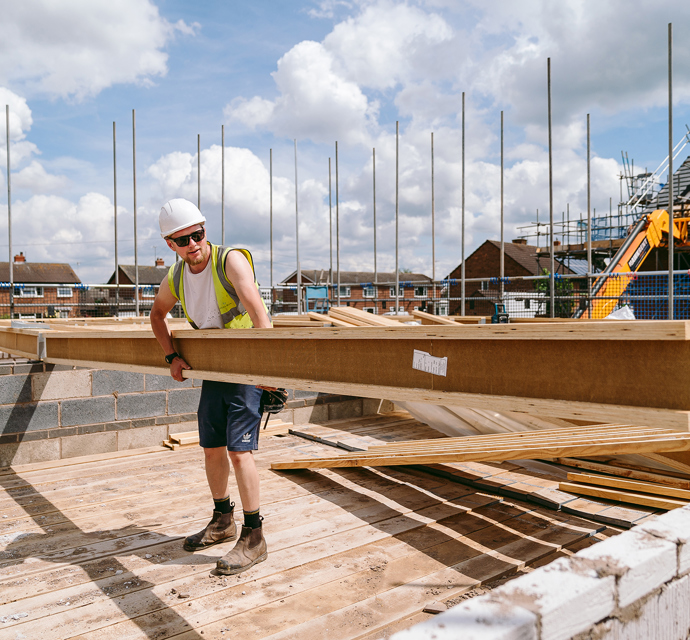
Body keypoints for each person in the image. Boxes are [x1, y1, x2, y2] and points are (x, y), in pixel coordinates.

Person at [150, 198, 273, 576]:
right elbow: (157, 315)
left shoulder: (229, 260)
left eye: (197, 235)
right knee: (212, 449)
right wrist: (172, 356)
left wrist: (268, 369)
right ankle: (223, 521)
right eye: (183, 240)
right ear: (171, 244)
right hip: (215, 371)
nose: (193, 245)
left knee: (240, 452)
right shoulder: (176, 277)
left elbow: (258, 313)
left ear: (205, 229)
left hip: (246, 369)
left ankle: (254, 536)